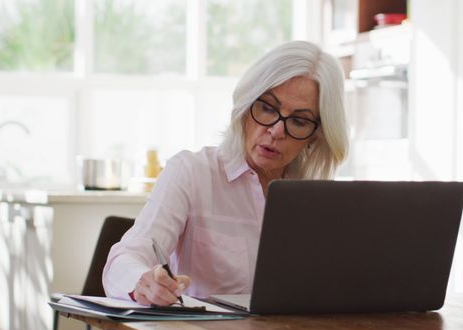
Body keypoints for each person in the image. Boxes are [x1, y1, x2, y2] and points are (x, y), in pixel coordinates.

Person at [102, 40, 349, 306]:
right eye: (267, 107)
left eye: (299, 121)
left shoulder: (319, 199)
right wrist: (144, 282)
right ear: (245, 106)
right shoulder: (191, 173)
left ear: (315, 136)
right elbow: (125, 258)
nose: (276, 131)